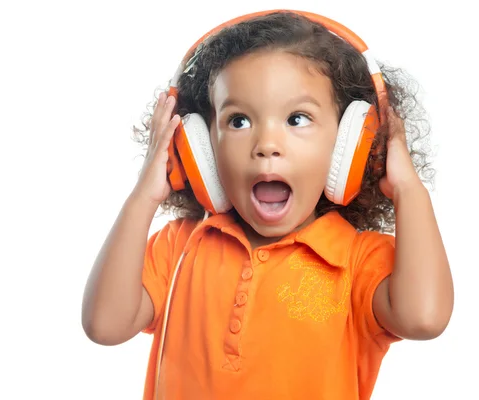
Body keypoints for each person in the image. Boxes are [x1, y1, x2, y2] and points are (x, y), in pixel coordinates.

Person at [81, 9, 454, 400]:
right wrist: (144, 195)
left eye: (297, 118)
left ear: (352, 145)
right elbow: (104, 325)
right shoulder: (179, 248)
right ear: (200, 149)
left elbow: (424, 318)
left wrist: (409, 189)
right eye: (239, 121)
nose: (266, 146)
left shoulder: (357, 261)